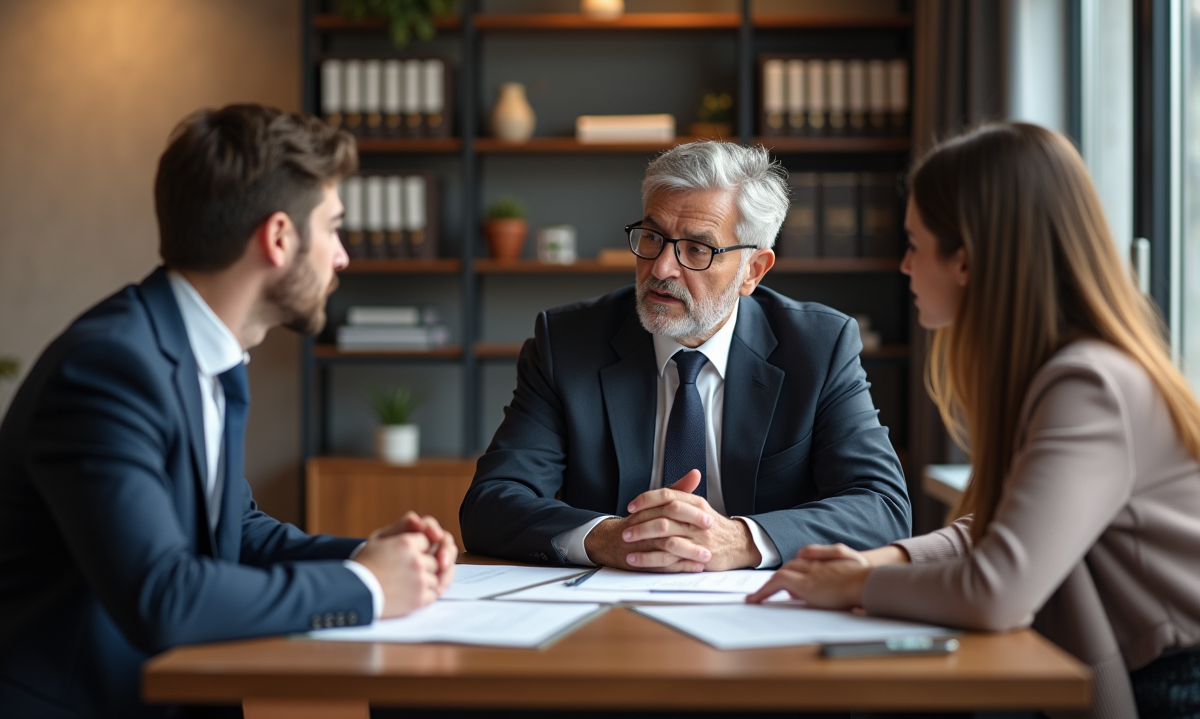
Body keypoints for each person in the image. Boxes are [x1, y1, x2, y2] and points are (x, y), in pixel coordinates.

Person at [0, 105, 457, 719]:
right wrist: (368, 587)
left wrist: (373, 557)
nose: (343, 257)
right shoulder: (109, 369)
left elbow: (234, 533)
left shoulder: (202, 353)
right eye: (333, 228)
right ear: (278, 238)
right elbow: (162, 597)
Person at [749, 122, 1200, 719]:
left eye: (915, 244)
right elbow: (995, 532)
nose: (904, 266)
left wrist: (854, 586)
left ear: (963, 259)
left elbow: (997, 590)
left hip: (1175, 683)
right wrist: (882, 561)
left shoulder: (1086, 386)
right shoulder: (1053, 374)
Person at [460, 140, 911, 572]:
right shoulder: (567, 343)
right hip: (609, 598)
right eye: (652, 237)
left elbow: (883, 507)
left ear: (752, 271)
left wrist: (742, 541)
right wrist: (609, 537)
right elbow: (490, 502)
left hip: (758, 607)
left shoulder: (818, 347)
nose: (661, 267)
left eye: (697, 249)